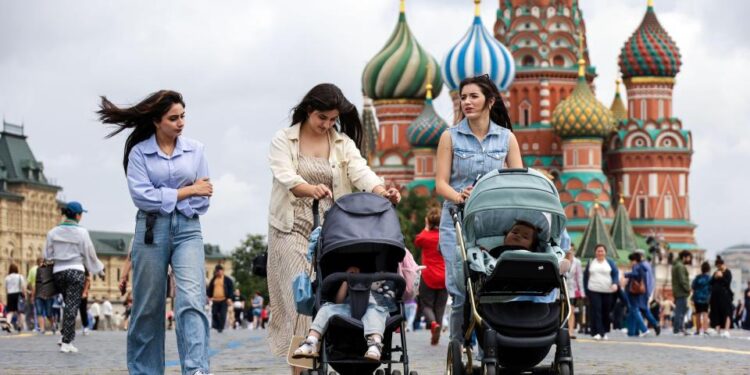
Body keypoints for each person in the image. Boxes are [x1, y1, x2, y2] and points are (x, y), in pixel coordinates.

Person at [266, 83, 400, 373]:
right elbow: (284, 174)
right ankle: (300, 369)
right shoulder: (284, 139)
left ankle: (320, 357)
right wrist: (308, 188)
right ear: (308, 111)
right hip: (291, 226)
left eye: (332, 119)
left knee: (327, 292)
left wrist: (381, 190)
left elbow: (359, 170)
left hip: (330, 229)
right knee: (300, 299)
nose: (327, 125)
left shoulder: (341, 143)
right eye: (321, 118)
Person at [98, 90, 213, 375]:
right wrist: (187, 190)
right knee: (148, 307)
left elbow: (204, 197)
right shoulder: (139, 153)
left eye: (183, 116)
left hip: (188, 229)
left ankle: (196, 370)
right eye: (173, 118)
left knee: (191, 300)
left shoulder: (196, 150)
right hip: (151, 231)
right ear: (156, 121)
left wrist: (172, 197)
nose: (180, 123)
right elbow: (142, 197)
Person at [435, 74, 523, 343]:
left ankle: (491, 350)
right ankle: (458, 349)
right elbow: (440, 183)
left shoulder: (507, 139)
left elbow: (518, 179)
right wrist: (461, 197)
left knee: (489, 288)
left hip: (493, 226)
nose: (467, 102)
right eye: (463, 97)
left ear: (490, 101)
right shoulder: (450, 137)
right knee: (461, 290)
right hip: (457, 222)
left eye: (474, 96)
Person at [43, 201, 105, 353]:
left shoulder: (53, 232)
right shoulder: (82, 232)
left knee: (68, 304)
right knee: (72, 305)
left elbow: (47, 255)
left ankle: (65, 335)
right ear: (77, 215)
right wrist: (99, 269)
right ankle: (66, 342)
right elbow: (89, 253)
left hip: (58, 272)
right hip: (76, 271)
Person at [292, 266, 389, 361]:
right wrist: (346, 279)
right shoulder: (346, 284)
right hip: (348, 310)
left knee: (375, 312)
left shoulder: (376, 282)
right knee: (326, 308)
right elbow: (338, 302)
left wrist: (367, 280)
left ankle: (375, 345)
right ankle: (311, 342)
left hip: (371, 309)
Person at [415, 207, 447, 346]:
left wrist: (426, 227)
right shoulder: (444, 236)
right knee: (440, 307)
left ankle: (433, 324)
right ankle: (436, 334)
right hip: (444, 276)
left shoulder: (425, 237)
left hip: (428, 275)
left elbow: (417, 241)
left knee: (426, 305)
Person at [583, 244, 619, 340]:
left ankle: (605, 331)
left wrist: (615, 283)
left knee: (606, 311)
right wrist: (585, 291)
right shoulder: (591, 262)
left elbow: (615, 274)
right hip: (594, 290)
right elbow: (585, 277)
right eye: (598, 251)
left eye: (602, 251)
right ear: (595, 252)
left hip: (607, 290)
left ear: (605, 252)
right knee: (597, 311)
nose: (600, 253)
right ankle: (599, 332)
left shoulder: (610, 262)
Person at [625, 251, 661, 337]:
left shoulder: (637, 266)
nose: (630, 263)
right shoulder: (646, 265)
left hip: (637, 292)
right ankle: (634, 331)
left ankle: (641, 329)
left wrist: (626, 274)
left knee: (634, 310)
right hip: (644, 292)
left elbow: (637, 275)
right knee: (644, 310)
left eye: (631, 260)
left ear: (634, 260)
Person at [710, 256, 733, 338]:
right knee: (717, 313)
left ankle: (726, 330)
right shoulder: (716, 272)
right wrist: (715, 277)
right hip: (716, 297)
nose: (718, 268)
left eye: (720, 266)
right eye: (717, 266)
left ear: (723, 264)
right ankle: (717, 330)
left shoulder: (728, 272)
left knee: (727, 313)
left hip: (725, 296)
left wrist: (721, 277)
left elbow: (727, 283)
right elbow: (711, 283)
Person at [564, 246, 585, 339]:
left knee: (571, 311)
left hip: (572, 290)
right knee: (562, 311)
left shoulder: (577, 262)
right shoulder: (561, 260)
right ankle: (561, 330)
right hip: (562, 289)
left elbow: (579, 277)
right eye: (568, 250)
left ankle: (571, 331)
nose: (569, 251)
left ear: (573, 251)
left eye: (571, 250)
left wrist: (581, 291)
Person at [207, 264, 233, 333]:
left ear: (222, 271)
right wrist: (209, 296)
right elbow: (210, 289)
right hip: (215, 300)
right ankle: (217, 325)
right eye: (216, 271)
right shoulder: (213, 279)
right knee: (214, 313)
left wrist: (229, 298)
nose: (218, 272)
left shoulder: (227, 280)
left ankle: (220, 328)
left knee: (222, 314)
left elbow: (231, 289)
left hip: (224, 300)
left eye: (219, 271)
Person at [671, 250, 692, 334]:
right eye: (688, 258)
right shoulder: (680, 266)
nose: (689, 260)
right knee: (680, 311)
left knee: (679, 310)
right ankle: (678, 328)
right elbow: (682, 280)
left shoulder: (676, 265)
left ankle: (679, 328)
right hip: (681, 292)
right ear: (684, 257)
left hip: (678, 291)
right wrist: (688, 289)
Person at [691, 261, 711, 335]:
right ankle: (705, 330)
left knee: (698, 314)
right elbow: (711, 288)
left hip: (697, 297)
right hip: (706, 298)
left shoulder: (697, 277)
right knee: (705, 313)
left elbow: (693, 286)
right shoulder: (709, 278)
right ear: (708, 269)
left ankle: (698, 330)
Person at [4, 263, 26, 332]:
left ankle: (8, 323)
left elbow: (6, 288)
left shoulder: (7, 277)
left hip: (10, 295)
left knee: (10, 311)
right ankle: (20, 325)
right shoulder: (20, 276)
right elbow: (23, 287)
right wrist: (24, 295)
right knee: (20, 311)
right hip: (18, 294)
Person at [80, 271, 91, 335]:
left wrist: (85, 291)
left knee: (83, 310)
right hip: (73, 291)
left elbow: (88, 279)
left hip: (82, 292)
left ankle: (85, 326)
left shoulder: (84, 266)